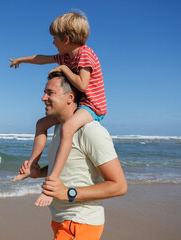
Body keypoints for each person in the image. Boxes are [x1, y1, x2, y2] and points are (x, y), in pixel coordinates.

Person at [9, 11, 107, 207]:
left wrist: (63, 70)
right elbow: (41, 58)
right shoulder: (65, 55)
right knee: (41, 124)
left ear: (67, 39)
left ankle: (52, 181)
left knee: (68, 128)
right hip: (78, 104)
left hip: (92, 106)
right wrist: (21, 60)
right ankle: (33, 165)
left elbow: (82, 85)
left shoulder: (85, 54)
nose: (53, 42)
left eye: (54, 38)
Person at [17, 71, 127, 240]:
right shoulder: (59, 128)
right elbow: (68, 167)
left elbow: (119, 186)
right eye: (44, 92)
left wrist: (68, 193)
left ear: (69, 97)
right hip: (61, 220)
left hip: (80, 223)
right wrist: (38, 173)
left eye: (50, 93)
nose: (43, 98)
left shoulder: (91, 131)